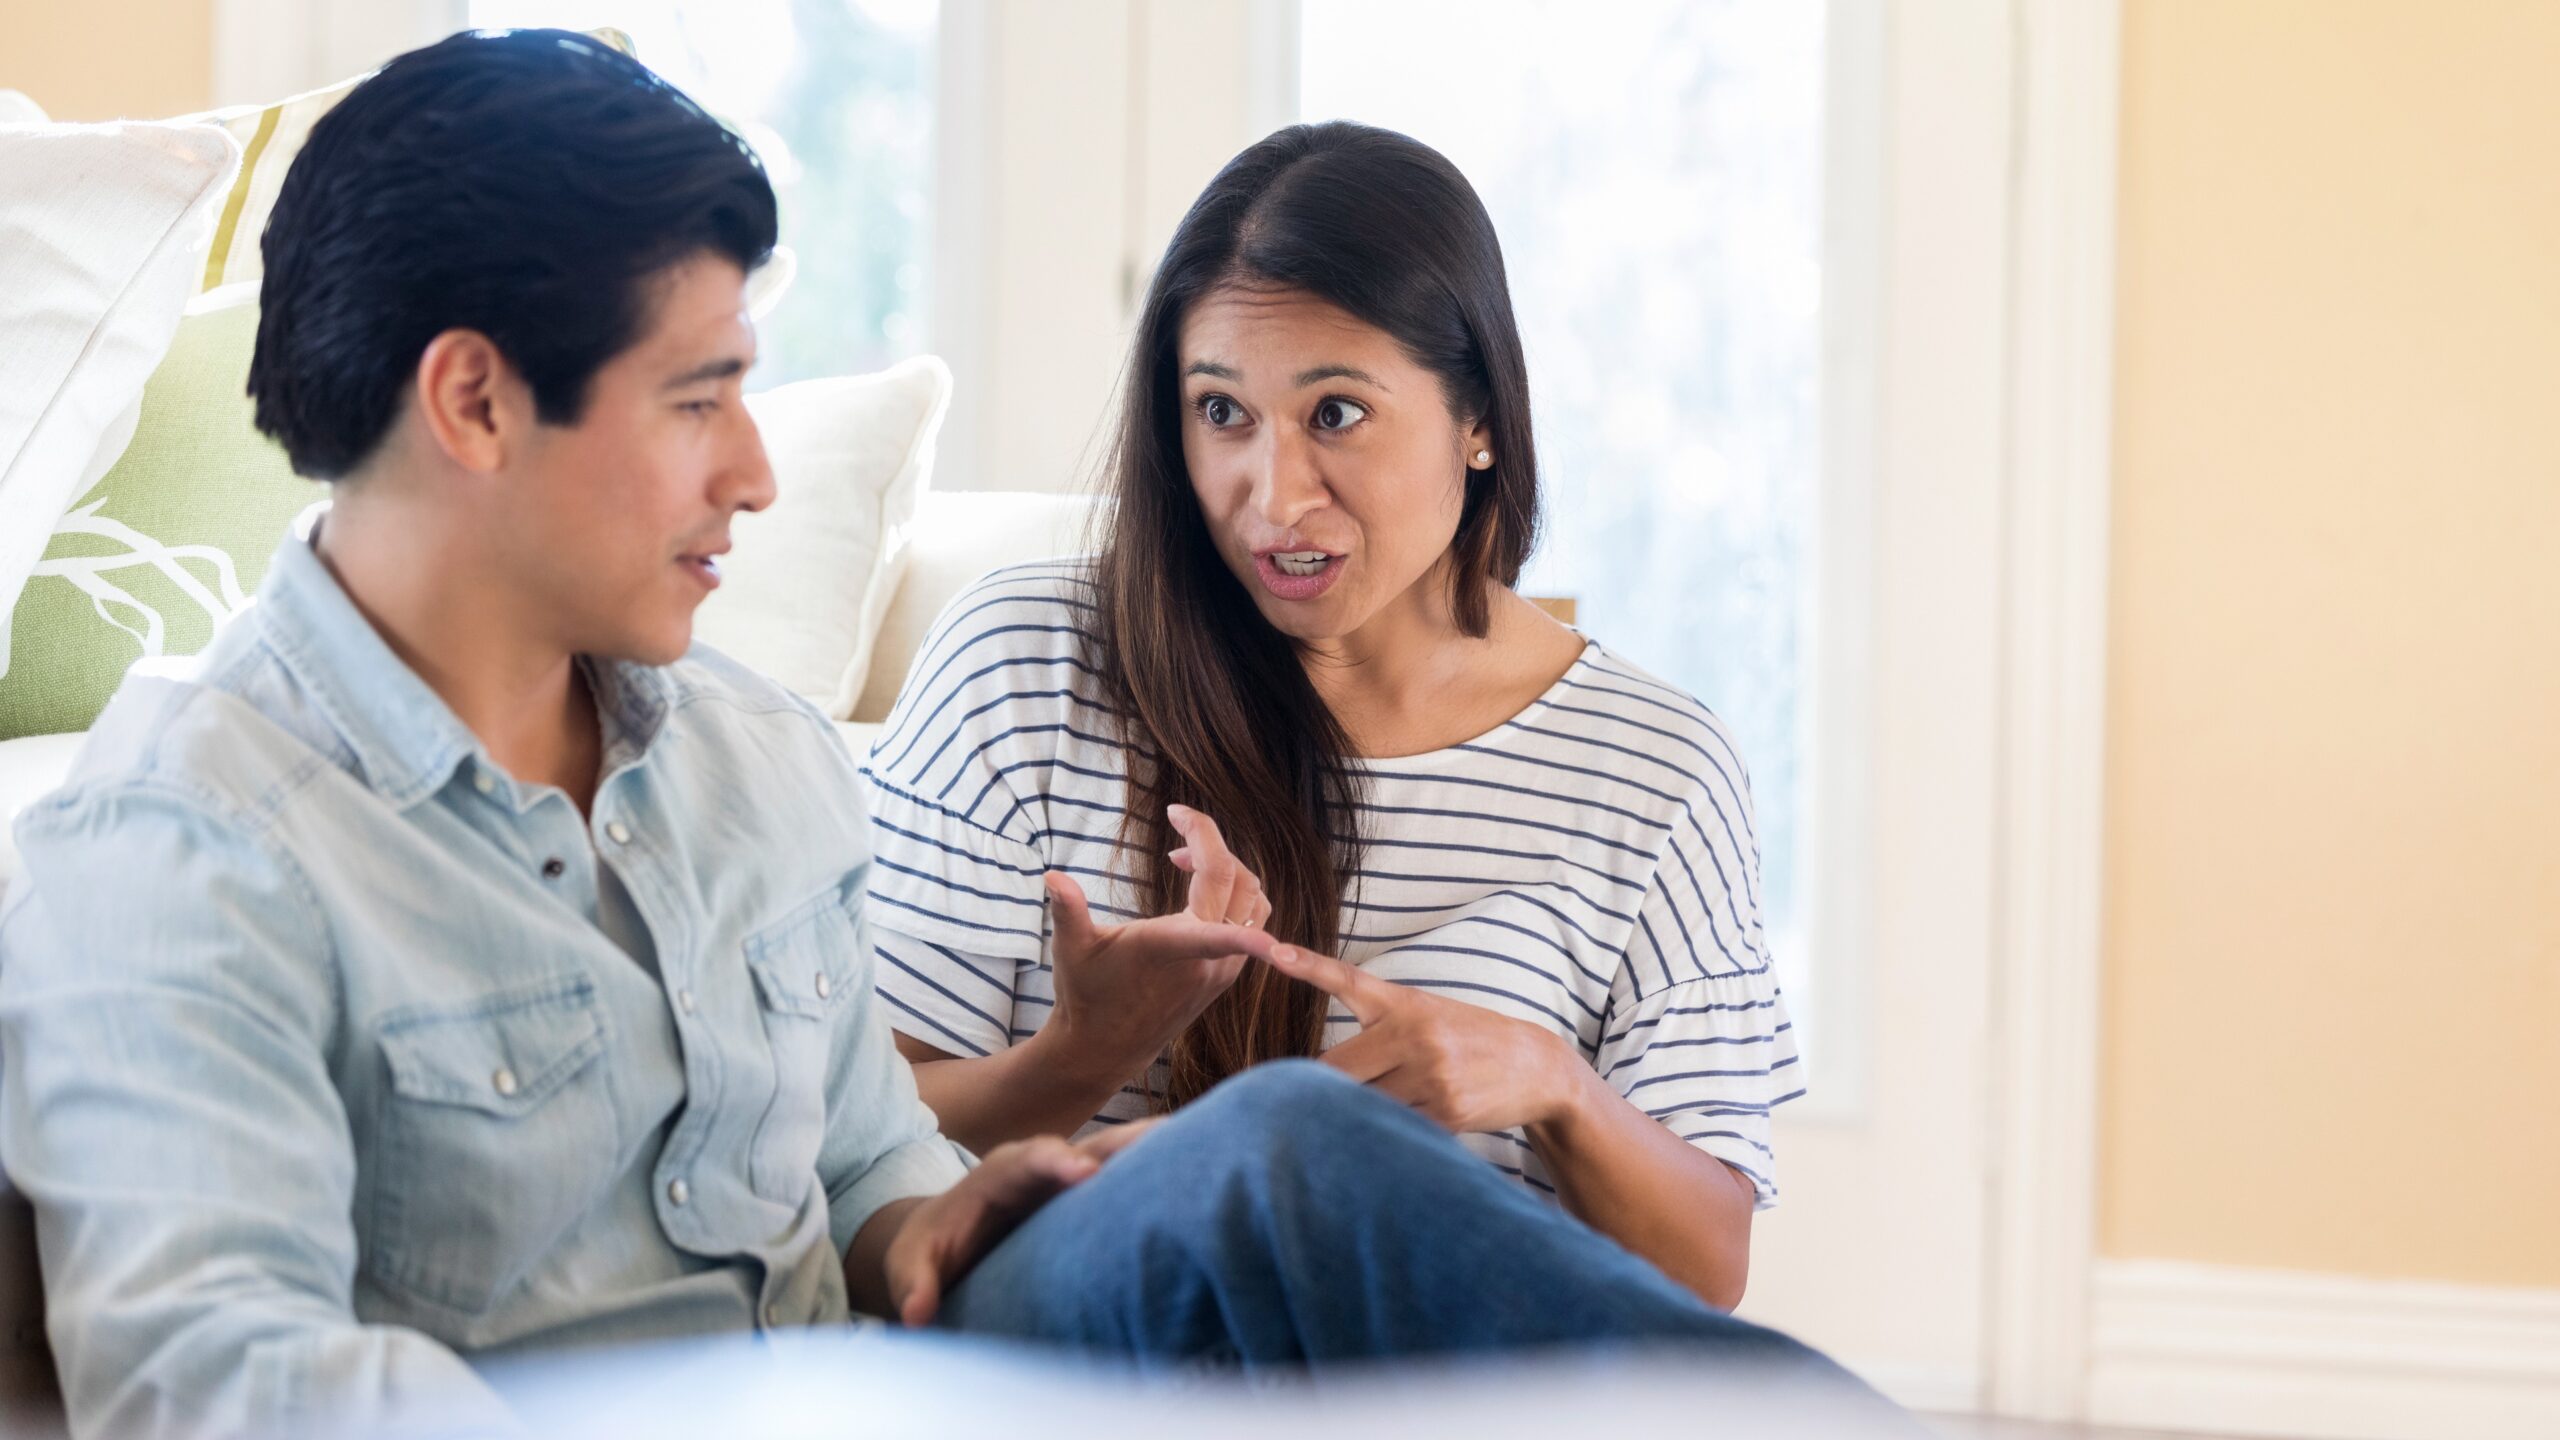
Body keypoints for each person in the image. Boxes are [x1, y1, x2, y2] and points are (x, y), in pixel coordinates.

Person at [0, 32, 1893, 1440]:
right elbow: (209, 1392)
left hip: (889, 1378)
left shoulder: (743, 761)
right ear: (476, 403)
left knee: (1276, 1152)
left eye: (1335, 414)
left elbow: (864, 1183)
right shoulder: (184, 843)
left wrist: (937, 1217)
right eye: (701, 398)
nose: (758, 471)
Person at [866, 121, 1799, 1311]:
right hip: (1084, 1354)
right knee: (1292, 1144)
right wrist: (1083, 1054)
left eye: (1337, 414)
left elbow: (1701, 1274)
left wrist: (1550, 1081)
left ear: (1478, 420)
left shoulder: (1656, 768)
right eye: (1221, 413)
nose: (1273, 496)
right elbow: (847, 1152)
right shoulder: (1025, 662)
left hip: (1440, 1372)